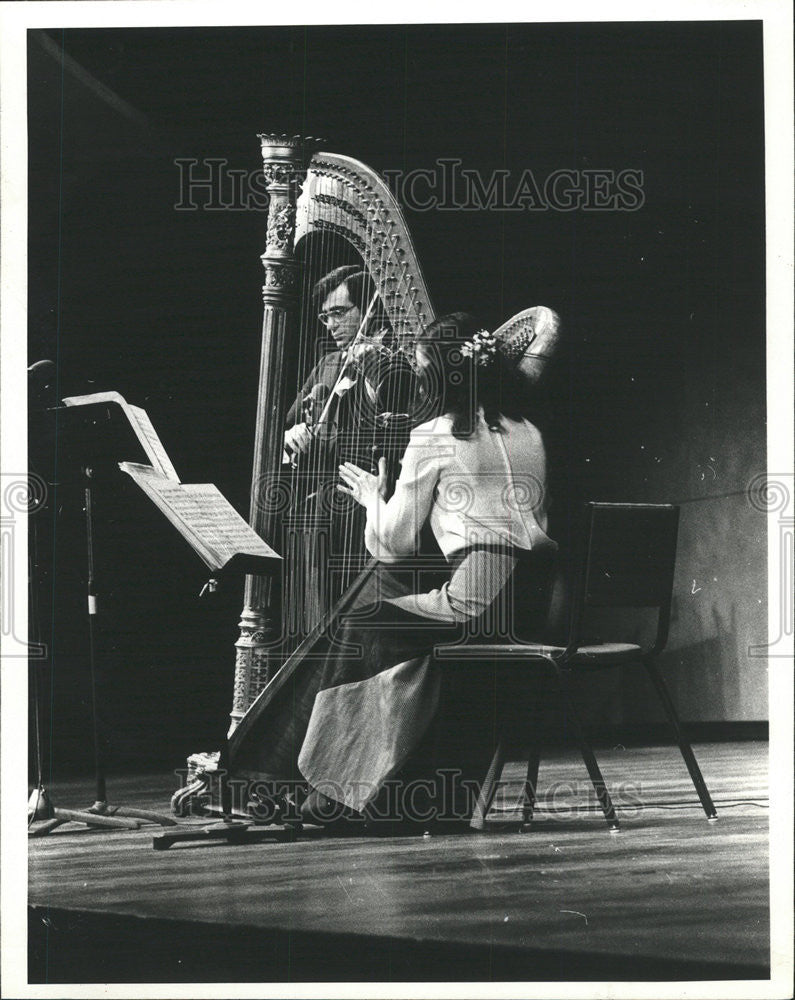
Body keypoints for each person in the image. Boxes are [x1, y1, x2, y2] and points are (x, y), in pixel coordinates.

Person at [234, 312, 557, 832]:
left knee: (363, 624)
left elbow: (393, 546)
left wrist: (370, 497)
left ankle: (329, 794)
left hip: (472, 605)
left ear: (440, 379)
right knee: (388, 630)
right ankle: (383, 787)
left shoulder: (435, 435)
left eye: (425, 370)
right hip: (535, 604)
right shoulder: (531, 434)